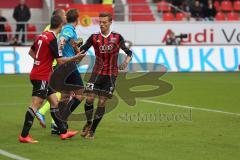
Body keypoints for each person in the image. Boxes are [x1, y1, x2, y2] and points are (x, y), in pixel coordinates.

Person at [18, 15, 85, 143]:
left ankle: (63, 132)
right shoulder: (52, 39)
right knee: (35, 105)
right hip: (41, 76)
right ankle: (24, 135)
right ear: (60, 25)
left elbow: (31, 52)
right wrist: (75, 57)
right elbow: (60, 61)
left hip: (39, 73)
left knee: (54, 102)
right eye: (63, 24)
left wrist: (42, 61)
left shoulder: (41, 35)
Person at [79, 12, 132, 139]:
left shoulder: (117, 37)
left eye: (104, 22)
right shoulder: (94, 37)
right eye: (100, 22)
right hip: (96, 73)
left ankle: (92, 131)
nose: (101, 24)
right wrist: (76, 48)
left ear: (110, 22)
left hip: (111, 75)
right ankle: (89, 122)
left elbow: (129, 52)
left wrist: (125, 62)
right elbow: (82, 50)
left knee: (102, 102)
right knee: (89, 99)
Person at [36, 8, 67, 135]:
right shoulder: (58, 31)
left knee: (56, 95)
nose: (65, 16)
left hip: (49, 65)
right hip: (54, 66)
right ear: (59, 18)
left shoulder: (47, 28)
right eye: (64, 15)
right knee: (60, 95)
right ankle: (42, 113)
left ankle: (55, 124)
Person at [56, 9, 85, 126]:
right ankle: (62, 119)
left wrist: (76, 48)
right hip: (69, 66)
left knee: (65, 96)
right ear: (77, 19)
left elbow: (65, 41)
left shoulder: (65, 29)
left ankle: (57, 125)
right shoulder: (68, 29)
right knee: (80, 94)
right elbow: (63, 40)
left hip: (63, 66)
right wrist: (61, 46)